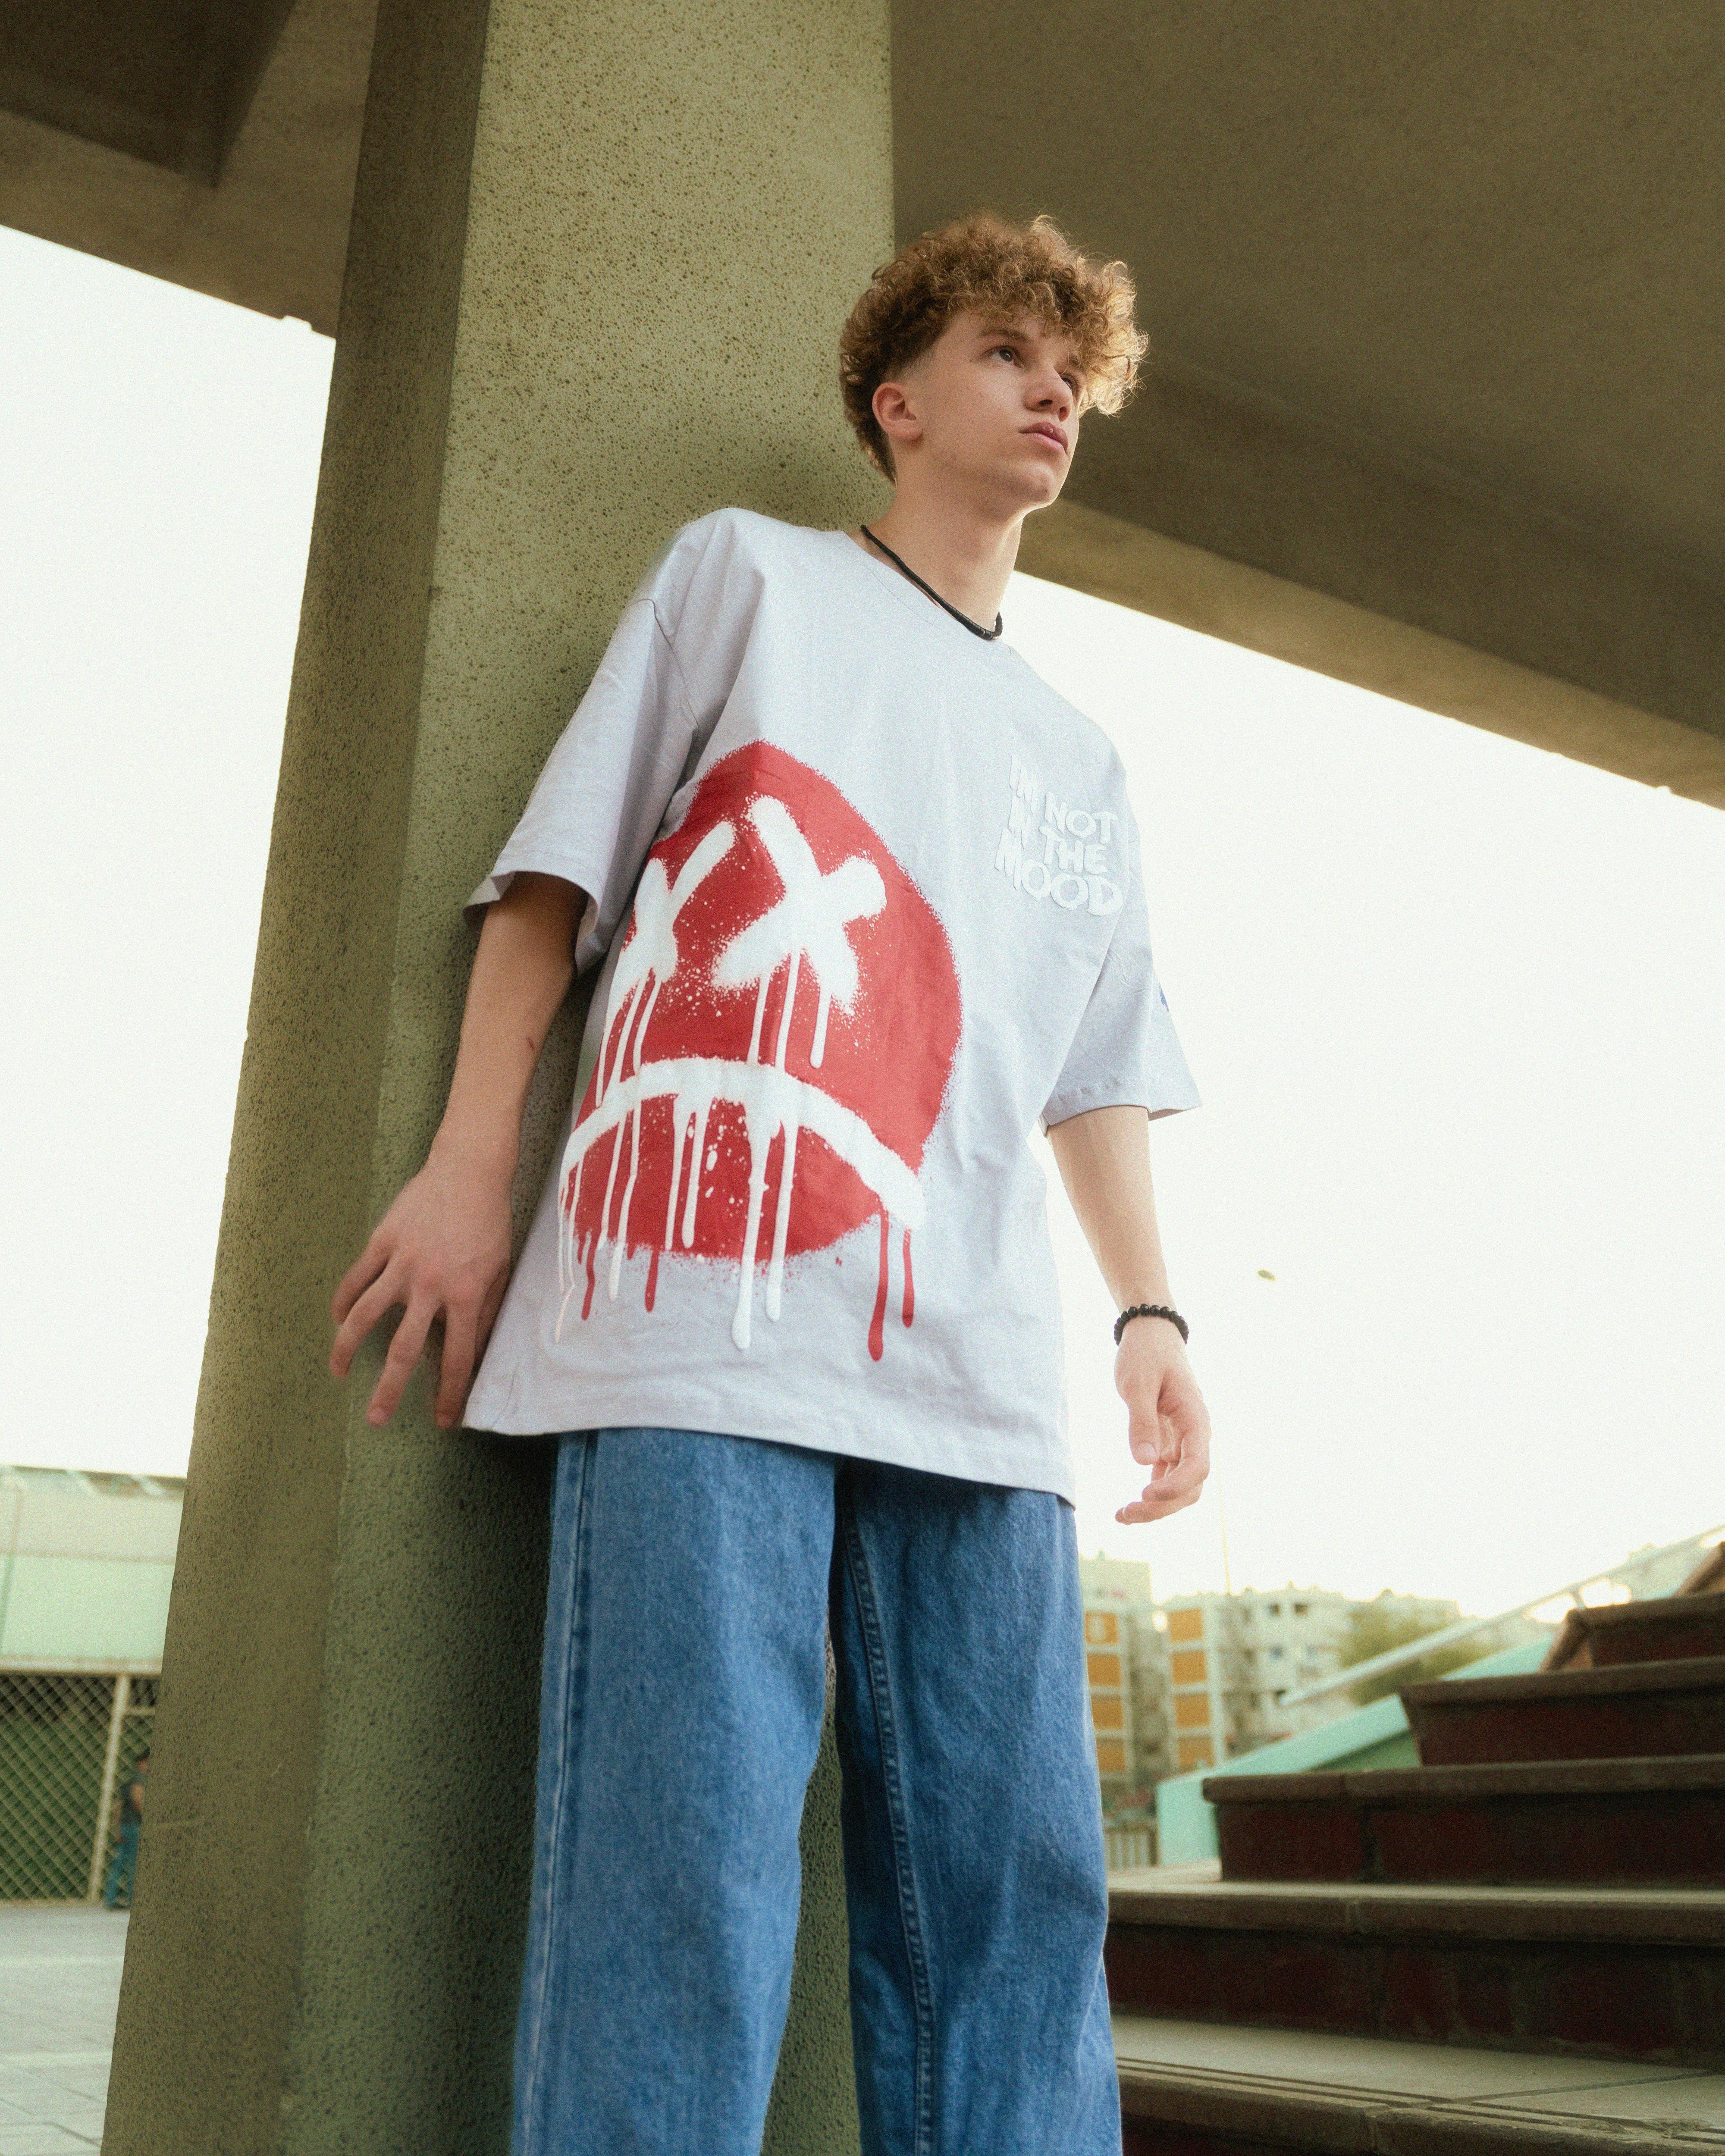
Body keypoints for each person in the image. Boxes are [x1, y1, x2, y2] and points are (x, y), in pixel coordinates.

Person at [330, 210, 1211, 2156]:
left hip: (976, 1374)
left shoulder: (1079, 761)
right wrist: (477, 1169)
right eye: (1002, 351)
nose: (1050, 387)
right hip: (692, 1331)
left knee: (1012, 1905)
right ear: (895, 405)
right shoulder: (747, 578)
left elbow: (1093, 1073)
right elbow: (552, 881)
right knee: (677, 1881)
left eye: (1070, 365)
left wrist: (1149, 1313)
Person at [102, 1745, 148, 1908]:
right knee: (136, 1863)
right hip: (135, 1825)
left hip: (125, 1825)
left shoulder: (128, 1782)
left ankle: (111, 1898)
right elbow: (137, 1801)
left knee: (120, 1863)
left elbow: (118, 1807)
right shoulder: (139, 1780)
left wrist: (117, 1828)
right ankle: (132, 1899)